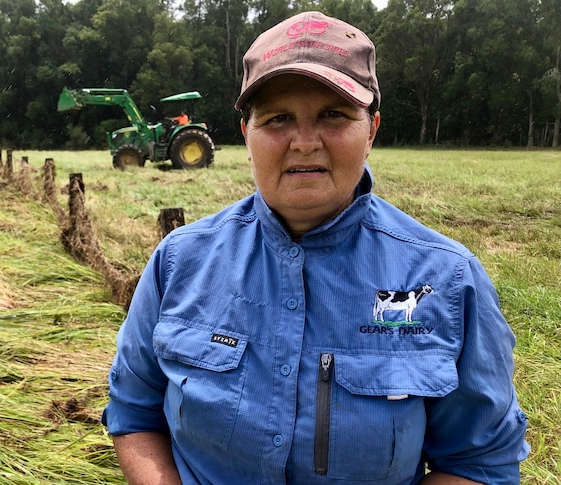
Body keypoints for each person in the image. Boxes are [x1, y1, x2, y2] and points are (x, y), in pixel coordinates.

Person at [101, 10, 529, 485]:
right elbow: (135, 412)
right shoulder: (179, 262)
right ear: (247, 134)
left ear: (371, 129)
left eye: (333, 115)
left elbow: (479, 460)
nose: (304, 143)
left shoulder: (447, 280)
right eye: (278, 118)